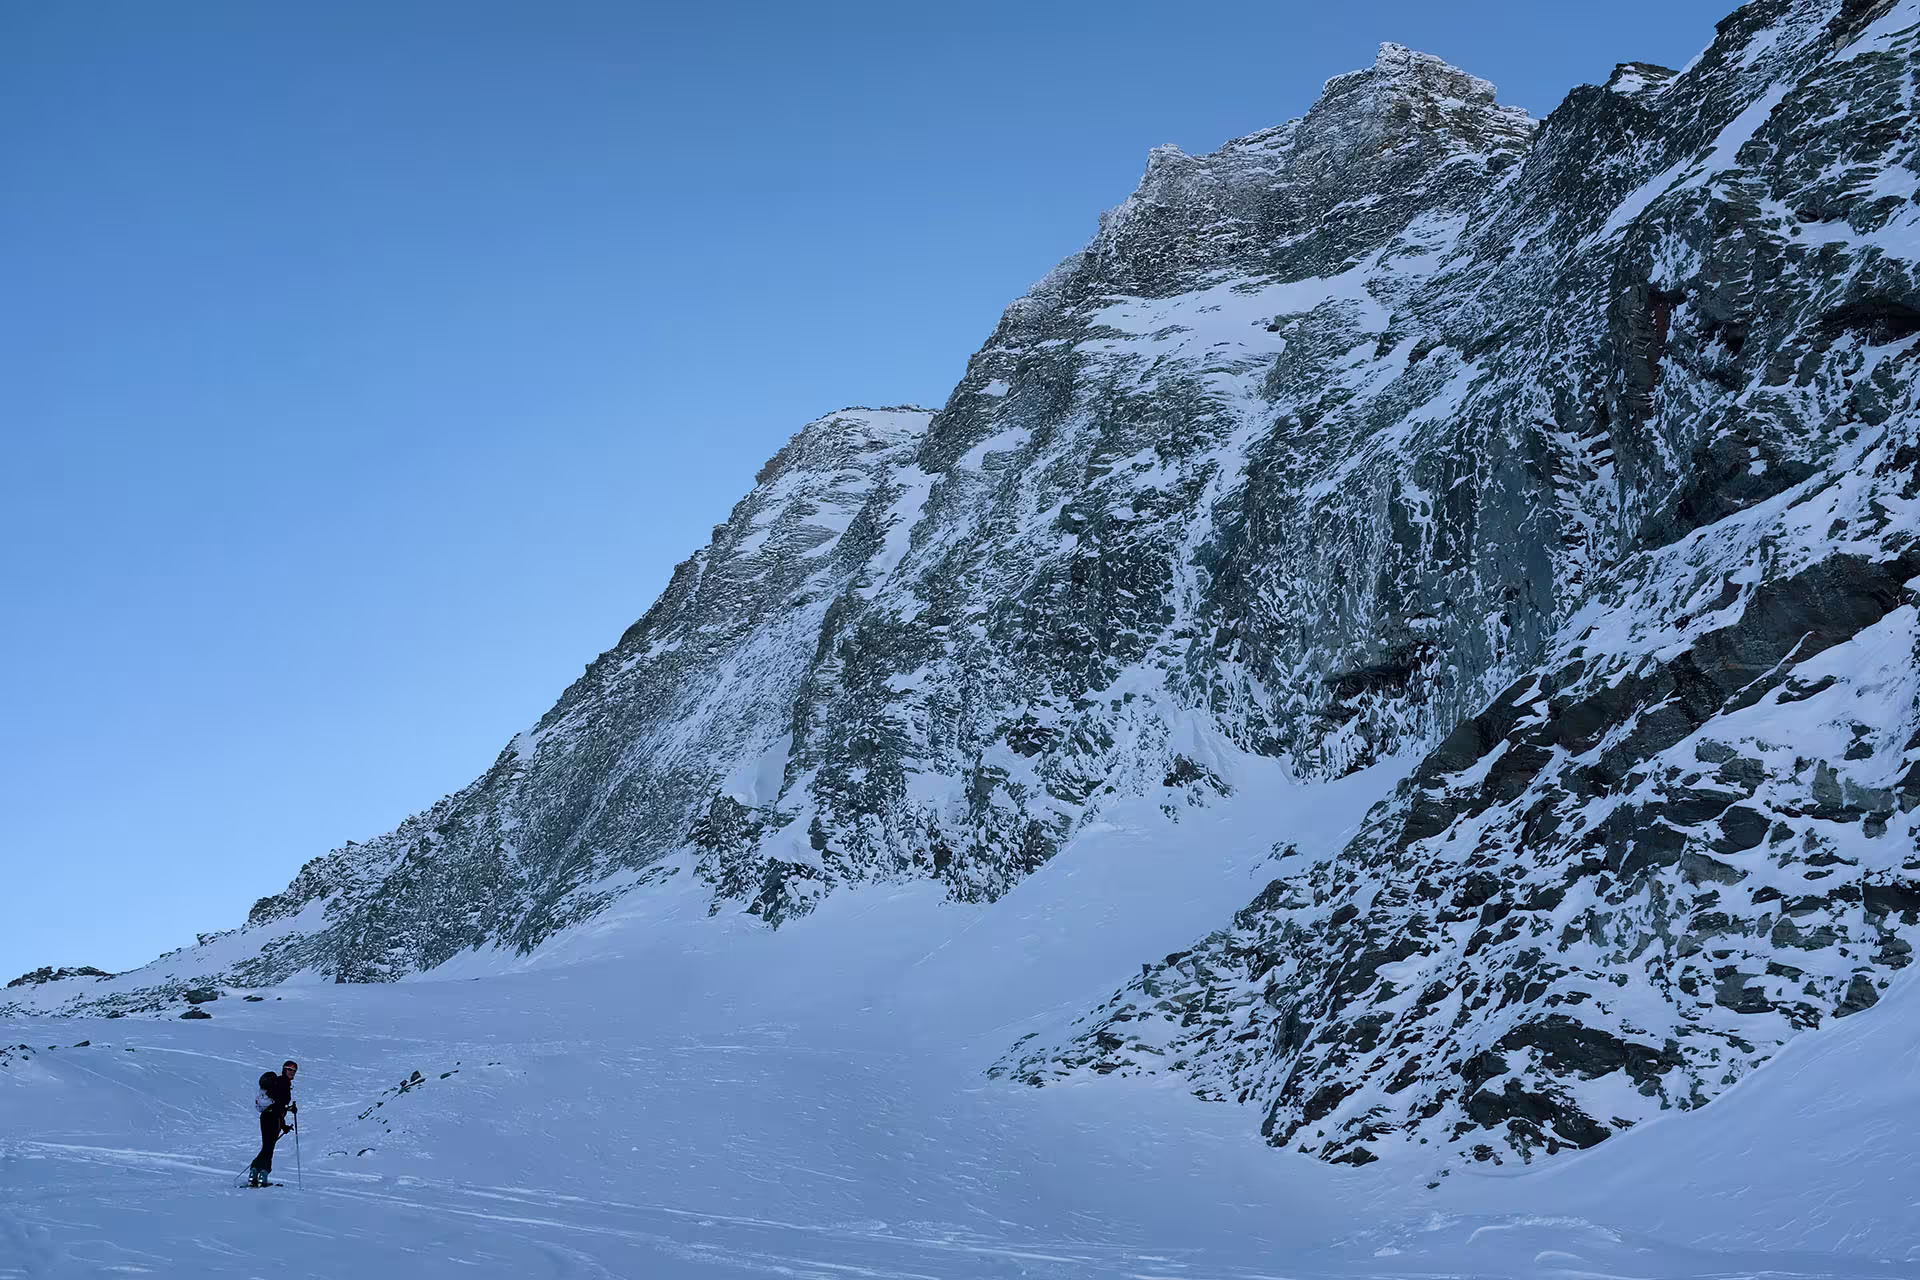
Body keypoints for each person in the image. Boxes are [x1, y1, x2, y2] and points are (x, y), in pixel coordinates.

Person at [246, 1060, 298, 1186]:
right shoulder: (283, 1083)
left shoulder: (278, 1082)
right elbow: (279, 1106)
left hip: (266, 1117)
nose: (292, 1072)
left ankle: (254, 1172)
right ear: (284, 1069)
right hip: (273, 1118)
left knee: (267, 1146)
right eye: (289, 1069)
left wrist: (284, 1122)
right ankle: (262, 1173)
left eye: (294, 1070)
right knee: (269, 1147)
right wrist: (288, 1112)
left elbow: (278, 1105)